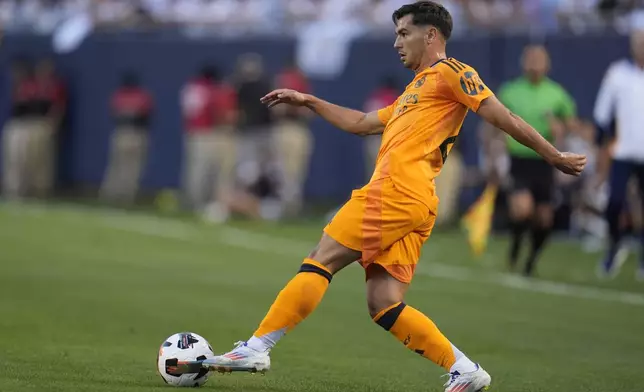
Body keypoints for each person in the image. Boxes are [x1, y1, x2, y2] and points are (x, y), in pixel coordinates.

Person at [202, 3, 586, 392]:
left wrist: (553, 155)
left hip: (396, 191)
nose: (396, 42)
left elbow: (503, 117)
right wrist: (310, 101)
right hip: (415, 201)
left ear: (431, 35)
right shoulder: (415, 90)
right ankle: (465, 369)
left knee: (322, 259)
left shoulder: (453, 72)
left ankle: (257, 346)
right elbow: (362, 123)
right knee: (384, 303)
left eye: (404, 33)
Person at [487, 45, 578, 277]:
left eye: (540, 60)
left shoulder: (556, 94)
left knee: (544, 218)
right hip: (519, 159)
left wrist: (561, 129)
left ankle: (532, 259)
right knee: (522, 209)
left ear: (548, 64)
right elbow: (494, 123)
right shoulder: (510, 91)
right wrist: (494, 153)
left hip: (545, 161)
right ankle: (516, 248)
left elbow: (571, 124)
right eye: (531, 59)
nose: (535, 64)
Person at [594, 29, 644, 281]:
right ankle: (615, 246)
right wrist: (600, 151)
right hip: (623, 151)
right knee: (614, 203)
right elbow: (602, 117)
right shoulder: (618, 74)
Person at [100, 72, 153, 205]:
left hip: (121, 132)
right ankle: (127, 196)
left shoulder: (119, 95)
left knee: (116, 165)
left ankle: (111, 194)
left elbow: (114, 114)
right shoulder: (142, 96)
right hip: (136, 133)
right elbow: (148, 116)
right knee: (132, 168)